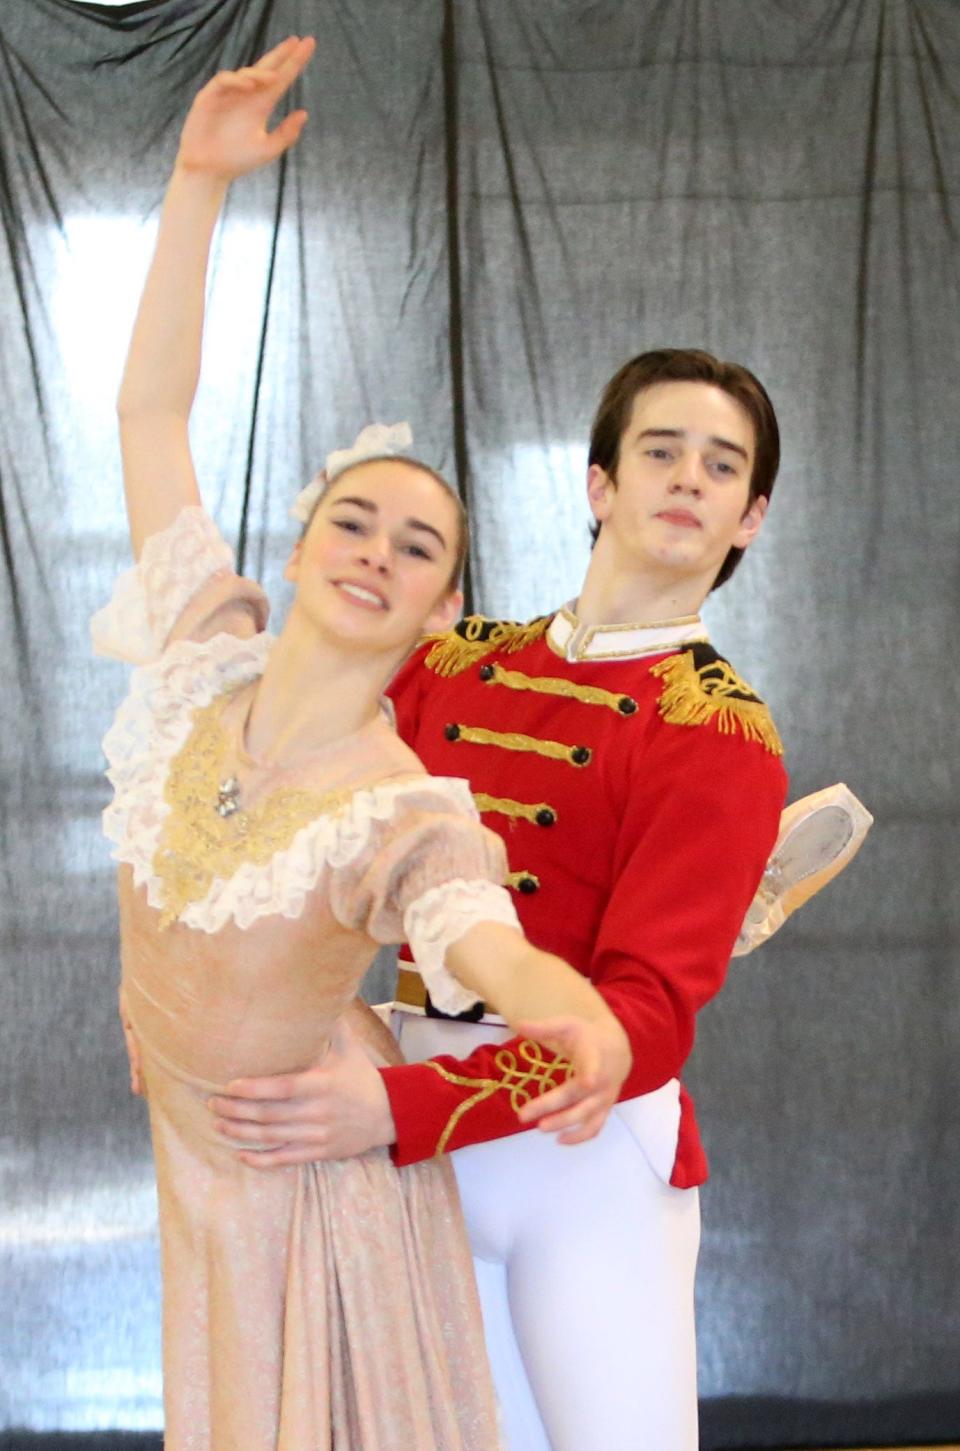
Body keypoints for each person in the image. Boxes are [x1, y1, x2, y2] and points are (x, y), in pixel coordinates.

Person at [93, 36, 632, 1451]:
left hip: (314, 1201)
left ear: (443, 606)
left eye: (418, 547)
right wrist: (198, 182)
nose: (376, 554)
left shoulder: (404, 806)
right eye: (354, 520)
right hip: (197, 1173)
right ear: (300, 535)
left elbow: (485, 942)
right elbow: (150, 410)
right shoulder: (193, 666)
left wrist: (568, 1013)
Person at [210, 346, 798, 1450]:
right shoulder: (451, 663)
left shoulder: (720, 731)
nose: (686, 478)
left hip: (582, 1161)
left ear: (750, 516)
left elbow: (644, 1023)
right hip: (415, 1144)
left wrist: (395, 1110)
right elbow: (295, 816)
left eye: (721, 467)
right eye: (659, 450)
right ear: (600, 484)